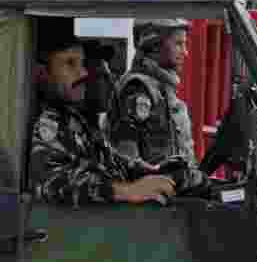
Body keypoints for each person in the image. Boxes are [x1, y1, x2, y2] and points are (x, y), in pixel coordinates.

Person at [28, 18, 176, 206]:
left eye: (81, 64)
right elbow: (52, 183)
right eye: (70, 63)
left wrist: (156, 171)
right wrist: (127, 191)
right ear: (42, 74)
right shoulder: (50, 125)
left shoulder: (78, 121)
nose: (83, 74)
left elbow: (113, 164)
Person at [111, 19, 209, 194]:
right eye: (178, 44)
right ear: (154, 45)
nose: (185, 52)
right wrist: (164, 174)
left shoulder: (161, 87)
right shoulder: (138, 88)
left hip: (175, 195)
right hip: (154, 204)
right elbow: (126, 156)